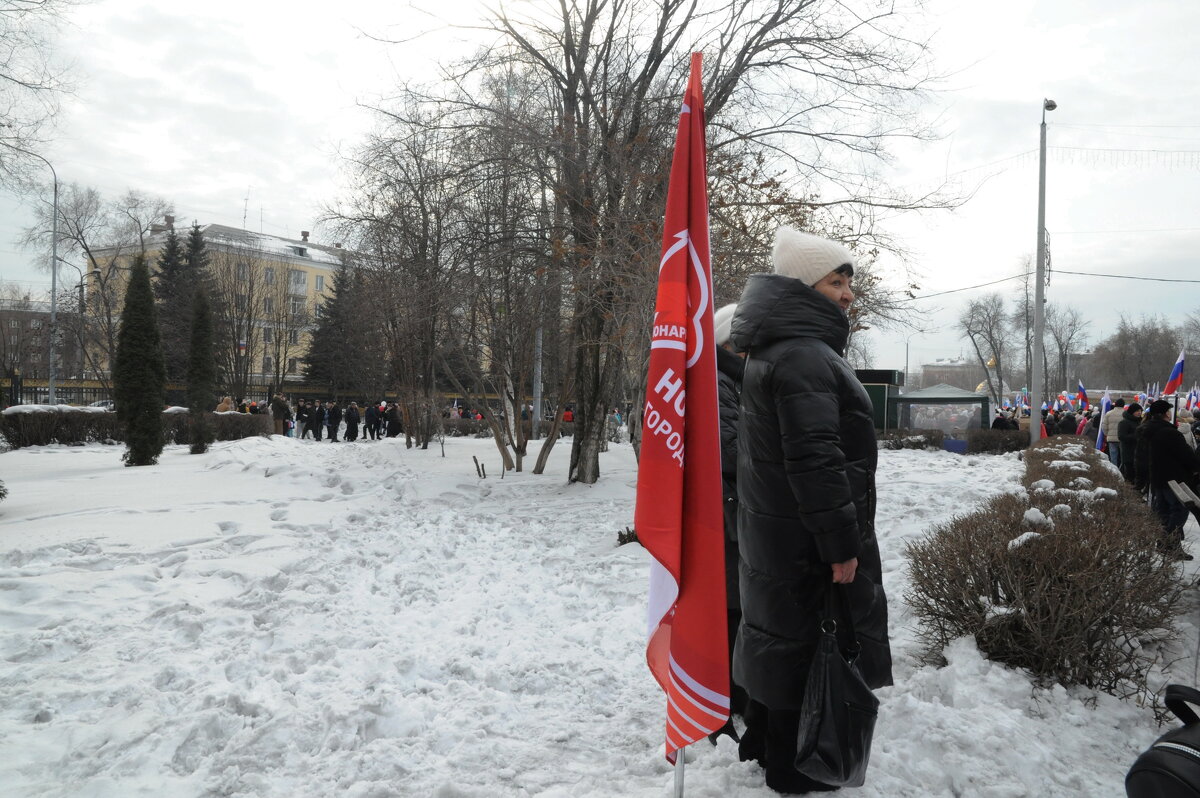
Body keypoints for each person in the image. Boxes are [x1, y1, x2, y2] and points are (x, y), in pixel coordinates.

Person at [730, 227, 892, 794]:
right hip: (805, 545)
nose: (848, 293)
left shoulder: (783, 348)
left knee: (787, 647)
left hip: (782, 540)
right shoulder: (802, 354)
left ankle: (778, 760)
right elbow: (816, 461)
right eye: (836, 281)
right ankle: (799, 777)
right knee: (807, 654)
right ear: (803, 286)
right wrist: (840, 547)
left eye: (850, 282)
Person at [711, 302, 747, 741]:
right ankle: (720, 701)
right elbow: (730, 451)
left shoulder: (734, 381)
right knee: (728, 611)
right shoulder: (719, 384)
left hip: (734, 512)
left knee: (738, 610)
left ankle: (733, 697)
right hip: (724, 515)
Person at [1136, 400, 1199, 559]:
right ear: (1165, 413)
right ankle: (1170, 546)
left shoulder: (1148, 430)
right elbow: (1185, 455)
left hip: (1157, 477)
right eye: (1169, 410)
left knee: (1163, 512)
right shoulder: (1169, 432)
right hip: (1174, 478)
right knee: (1179, 511)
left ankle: (1164, 544)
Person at [1117, 402, 1143, 484]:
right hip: (1129, 452)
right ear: (1132, 412)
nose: (1139, 412)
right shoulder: (1124, 422)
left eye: (1140, 410)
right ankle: (1129, 492)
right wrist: (1137, 435)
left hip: (1139, 453)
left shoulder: (1140, 421)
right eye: (1137, 411)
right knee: (1130, 474)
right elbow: (1121, 436)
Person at [1102, 398, 1126, 467]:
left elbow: (1104, 426)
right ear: (1123, 405)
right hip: (1122, 439)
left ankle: (1114, 472)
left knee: (1113, 457)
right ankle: (1122, 471)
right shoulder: (1126, 414)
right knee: (1123, 457)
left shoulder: (1109, 413)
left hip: (1111, 439)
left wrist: (1107, 434)